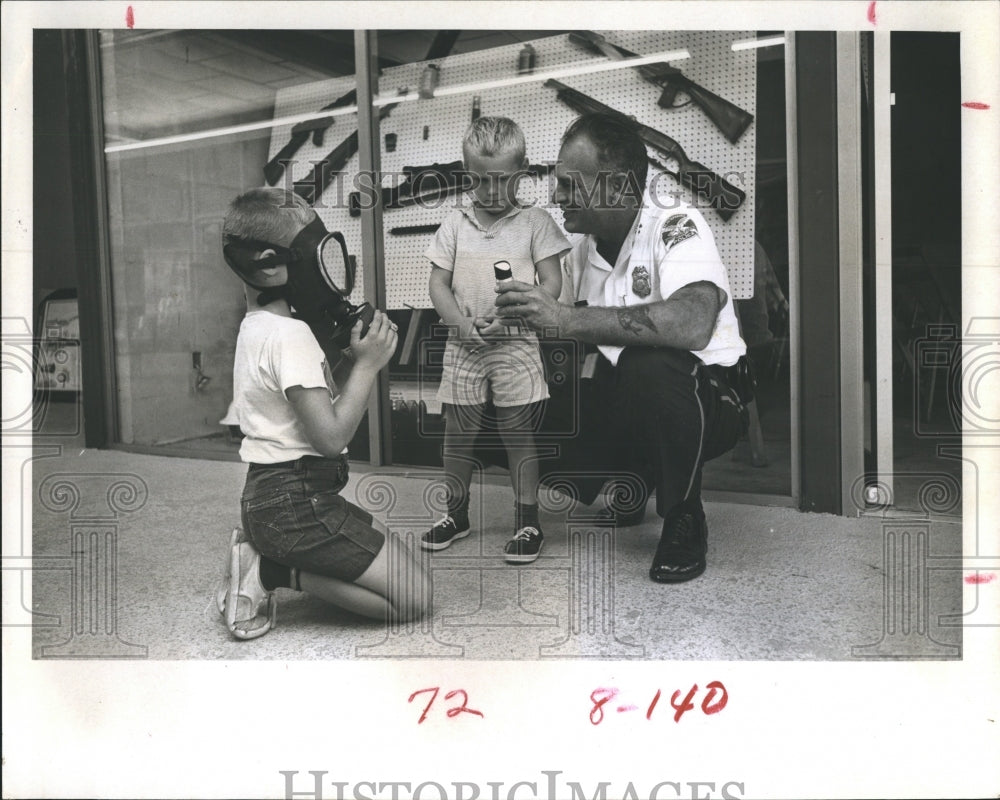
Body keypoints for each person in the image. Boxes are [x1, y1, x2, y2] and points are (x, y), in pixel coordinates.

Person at [494, 113, 748, 583]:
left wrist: (565, 318)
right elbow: (553, 333)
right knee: (516, 391)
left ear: (617, 187)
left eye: (569, 185)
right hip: (632, 399)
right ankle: (634, 480)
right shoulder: (579, 253)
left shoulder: (676, 223)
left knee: (650, 364)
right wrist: (512, 320)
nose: (556, 197)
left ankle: (684, 516)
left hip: (709, 401)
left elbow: (694, 323)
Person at [217, 187, 429, 639]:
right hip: (296, 505)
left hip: (274, 498)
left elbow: (309, 402)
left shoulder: (259, 327)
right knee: (414, 597)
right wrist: (368, 367)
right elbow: (330, 438)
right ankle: (270, 571)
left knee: (400, 563)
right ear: (269, 265)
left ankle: (269, 553)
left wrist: (350, 358)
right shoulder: (290, 336)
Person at [421, 116, 569, 563]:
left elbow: (552, 284)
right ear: (467, 173)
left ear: (522, 171)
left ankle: (528, 522)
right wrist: (461, 325)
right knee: (457, 435)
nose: (489, 191)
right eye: (479, 180)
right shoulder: (455, 223)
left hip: (516, 344)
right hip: (463, 346)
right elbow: (438, 285)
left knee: (517, 433)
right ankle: (455, 515)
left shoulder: (535, 222)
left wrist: (511, 320)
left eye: (501, 179)